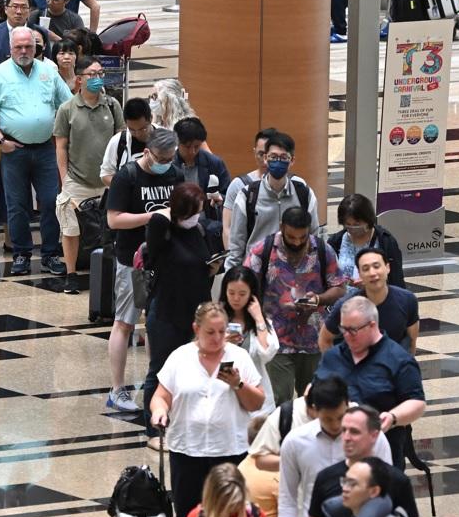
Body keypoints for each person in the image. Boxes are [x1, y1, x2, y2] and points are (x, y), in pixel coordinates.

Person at [150, 301, 266, 517]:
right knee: (188, 516)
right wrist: (159, 411)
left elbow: (257, 402)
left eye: (222, 332)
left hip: (229, 451)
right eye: (210, 332)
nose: (217, 338)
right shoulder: (180, 357)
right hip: (187, 451)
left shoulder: (239, 357)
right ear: (196, 329)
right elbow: (160, 396)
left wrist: (238, 384)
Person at [0, 26, 73, 275]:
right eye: (18, 47)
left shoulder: (49, 72)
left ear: (36, 48)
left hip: (45, 149)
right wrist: (1, 142)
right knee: (17, 204)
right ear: (10, 49)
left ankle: (50, 254)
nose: (23, 51)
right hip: (13, 150)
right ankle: (21, 254)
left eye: (28, 46)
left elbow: (67, 105)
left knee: (51, 201)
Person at [279, 378, 397, 517]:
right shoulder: (295, 442)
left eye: (341, 417)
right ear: (314, 410)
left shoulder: (373, 437)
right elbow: (287, 497)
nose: (335, 425)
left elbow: (389, 489)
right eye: (327, 419)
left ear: (348, 404)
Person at [106, 128, 183, 411]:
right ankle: (117, 390)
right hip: (133, 260)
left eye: (170, 158)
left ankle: (158, 385)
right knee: (125, 322)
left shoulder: (175, 174)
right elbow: (114, 220)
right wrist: (153, 217)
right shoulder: (127, 176)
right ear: (148, 152)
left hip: (165, 258)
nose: (166, 163)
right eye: (161, 158)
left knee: (156, 322)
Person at [300, 405, 418, 517]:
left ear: (374, 435)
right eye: (344, 431)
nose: (346, 437)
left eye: (354, 432)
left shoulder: (397, 482)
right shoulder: (326, 478)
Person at [244, 208, 347, 407]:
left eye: (302, 237)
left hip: (314, 339)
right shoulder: (262, 250)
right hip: (276, 340)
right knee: (280, 401)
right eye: (291, 237)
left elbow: (339, 287)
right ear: (281, 227)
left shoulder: (323, 250)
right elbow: (245, 286)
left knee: (314, 401)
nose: (297, 242)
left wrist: (318, 299)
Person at [314, 297, 425, 470]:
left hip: (382, 453)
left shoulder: (399, 360)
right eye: (343, 329)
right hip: (335, 455)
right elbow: (315, 390)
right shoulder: (333, 357)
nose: (346, 336)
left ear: (372, 325)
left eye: (353, 330)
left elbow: (416, 402)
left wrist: (393, 417)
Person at [142, 183, 217, 428]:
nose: (196, 216)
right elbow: (157, 223)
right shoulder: (162, 228)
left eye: (199, 211)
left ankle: (186, 422)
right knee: (160, 370)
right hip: (167, 311)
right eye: (192, 211)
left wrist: (212, 268)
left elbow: (201, 264)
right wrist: (172, 212)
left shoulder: (199, 231)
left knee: (195, 371)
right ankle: (153, 428)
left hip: (196, 313)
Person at [53, 54, 124, 288]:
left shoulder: (112, 105)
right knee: (70, 229)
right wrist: (64, 178)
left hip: (107, 181)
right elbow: (61, 146)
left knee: (108, 230)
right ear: (79, 79)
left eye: (100, 74)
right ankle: (71, 274)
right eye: (92, 74)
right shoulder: (67, 109)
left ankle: (110, 274)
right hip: (76, 180)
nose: (97, 78)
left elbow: (121, 139)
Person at [228, 130, 321, 271]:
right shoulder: (248, 196)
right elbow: (236, 248)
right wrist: (231, 278)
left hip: (294, 274)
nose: (278, 161)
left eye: (284, 157)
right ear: (265, 158)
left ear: (292, 160)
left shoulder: (304, 194)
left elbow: (313, 239)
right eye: (273, 157)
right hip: (256, 272)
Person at [321, 246, 419, 352]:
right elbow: (324, 339)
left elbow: (412, 341)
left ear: (387, 268)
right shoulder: (346, 305)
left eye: (376, 266)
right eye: (366, 269)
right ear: (360, 274)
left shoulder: (407, 300)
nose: (372, 273)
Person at [219, 266, 280, 416]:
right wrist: (222, 343)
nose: (236, 298)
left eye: (242, 294)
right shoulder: (216, 318)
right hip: (223, 399)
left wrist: (258, 317)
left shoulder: (261, 322)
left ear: (251, 294)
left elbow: (267, 353)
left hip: (256, 400)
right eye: (231, 293)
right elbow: (200, 351)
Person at [326, 194, 406, 290]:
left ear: (367, 221)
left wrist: (372, 283)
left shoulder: (385, 241)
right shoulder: (336, 241)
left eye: (356, 224)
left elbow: (396, 281)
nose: (353, 229)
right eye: (348, 224)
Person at [176, 117, 230, 253]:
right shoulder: (168, 163)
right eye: (187, 146)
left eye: (197, 146)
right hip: (176, 228)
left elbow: (229, 196)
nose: (192, 151)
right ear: (177, 142)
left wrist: (219, 198)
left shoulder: (214, 163)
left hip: (206, 230)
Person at [224, 127, 274, 245]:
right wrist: (233, 255)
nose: (265, 160)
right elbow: (227, 229)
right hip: (248, 253)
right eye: (261, 154)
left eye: (270, 155)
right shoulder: (239, 185)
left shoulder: (293, 185)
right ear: (254, 152)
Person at [0, 0, 50, 70]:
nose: (19, 12)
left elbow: (48, 62)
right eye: (15, 7)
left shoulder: (40, 33)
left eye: (23, 7)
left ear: (30, 11)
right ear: (6, 9)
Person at [101, 97, 160, 186]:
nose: (137, 134)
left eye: (142, 129)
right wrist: (126, 187)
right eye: (132, 130)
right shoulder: (117, 141)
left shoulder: (166, 138)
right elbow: (106, 175)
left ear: (151, 118)